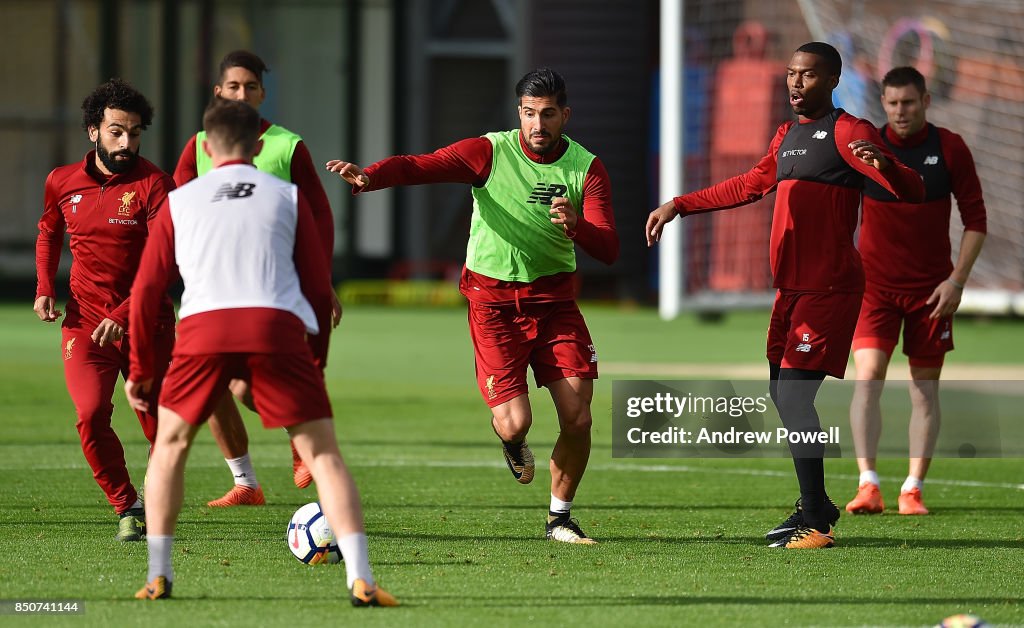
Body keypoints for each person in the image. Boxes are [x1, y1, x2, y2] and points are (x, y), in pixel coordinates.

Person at [646, 42, 925, 549]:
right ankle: (815, 505)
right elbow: (749, 185)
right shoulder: (787, 136)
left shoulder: (850, 132)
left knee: (796, 396)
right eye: (792, 74)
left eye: (810, 75)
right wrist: (679, 205)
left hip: (829, 289)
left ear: (833, 80)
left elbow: (913, 190)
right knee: (783, 394)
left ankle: (816, 521)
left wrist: (884, 164)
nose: (797, 83)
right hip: (791, 291)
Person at [326, 67, 618, 544]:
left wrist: (576, 227)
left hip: (554, 302)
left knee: (579, 415)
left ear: (565, 115)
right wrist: (370, 177)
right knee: (515, 420)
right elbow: (425, 165)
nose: (537, 125)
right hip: (493, 304)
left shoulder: (586, 168)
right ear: (518, 114)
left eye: (547, 115)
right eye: (528, 114)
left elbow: (608, 247)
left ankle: (559, 519)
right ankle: (512, 439)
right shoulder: (490, 151)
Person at [126, 99, 396, 606]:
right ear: (256, 147)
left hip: (202, 331)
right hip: (274, 327)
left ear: (205, 147)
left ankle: (158, 577)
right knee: (324, 455)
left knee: (169, 449)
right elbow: (317, 288)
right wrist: (316, 358)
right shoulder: (287, 198)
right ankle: (361, 579)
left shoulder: (180, 201)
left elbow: (146, 290)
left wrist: (141, 370)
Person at [173, 50, 342, 507]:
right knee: (214, 390)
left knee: (247, 386)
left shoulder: (287, 145)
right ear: (218, 93)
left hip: (274, 291)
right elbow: (176, 212)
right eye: (234, 87)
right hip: (213, 290)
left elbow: (320, 216)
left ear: (263, 94)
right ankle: (246, 482)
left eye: (250, 87)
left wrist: (321, 281)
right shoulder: (199, 147)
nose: (242, 94)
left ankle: (297, 432)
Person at [34, 78, 176, 542]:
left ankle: (157, 502)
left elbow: (166, 259)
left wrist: (124, 313)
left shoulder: (155, 183)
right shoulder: (61, 180)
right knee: (91, 415)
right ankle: (126, 504)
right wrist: (43, 287)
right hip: (85, 324)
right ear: (93, 131)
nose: (126, 142)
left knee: (160, 428)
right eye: (116, 131)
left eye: (134, 133)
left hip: (146, 325)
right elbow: (49, 232)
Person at [845, 66, 987, 516]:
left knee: (924, 391)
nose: (900, 111)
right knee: (867, 379)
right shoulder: (867, 149)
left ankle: (912, 488)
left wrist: (957, 280)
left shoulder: (949, 148)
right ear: (882, 104)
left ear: (926, 101)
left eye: (909, 102)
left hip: (932, 292)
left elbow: (976, 221)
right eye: (892, 103)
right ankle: (868, 484)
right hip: (874, 289)